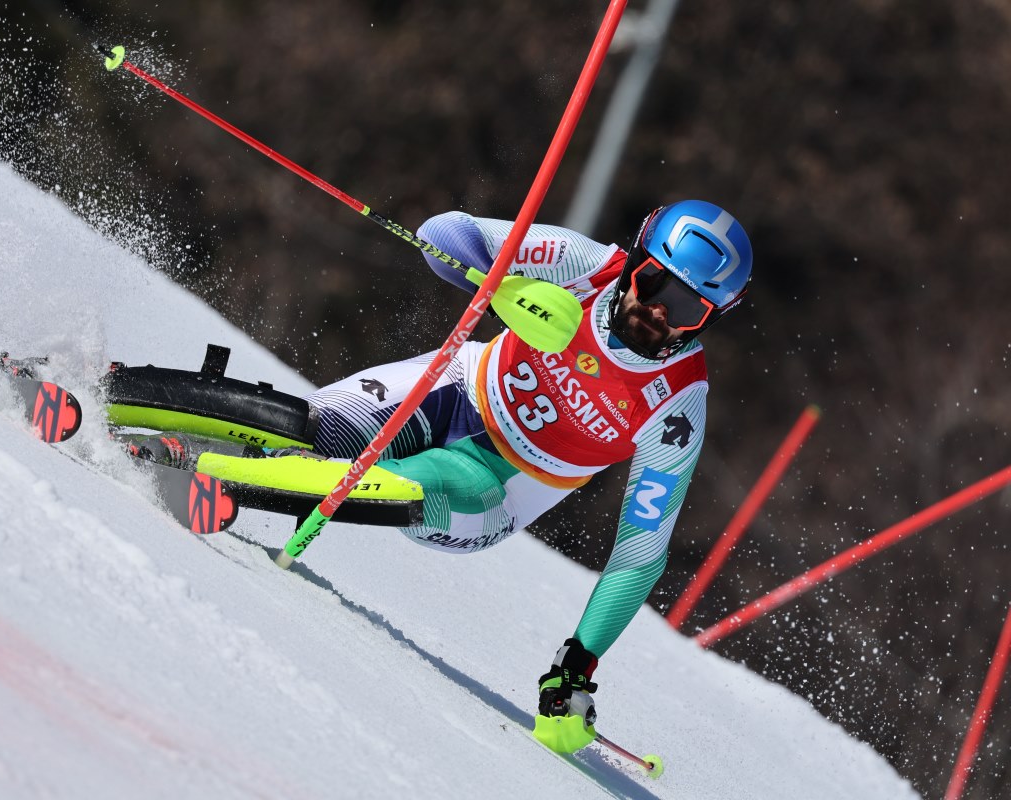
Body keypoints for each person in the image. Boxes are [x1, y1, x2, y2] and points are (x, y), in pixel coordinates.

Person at [300, 199, 753, 753]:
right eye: (655, 283)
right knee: (318, 428)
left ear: (709, 320)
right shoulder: (585, 263)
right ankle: (213, 438)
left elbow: (640, 553)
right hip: (458, 388)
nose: (661, 311)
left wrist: (577, 664)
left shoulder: (678, 401)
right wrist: (498, 287)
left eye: (689, 309)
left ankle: (242, 484)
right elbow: (444, 233)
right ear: (636, 259)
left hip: (497, 485)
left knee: (408, 483)